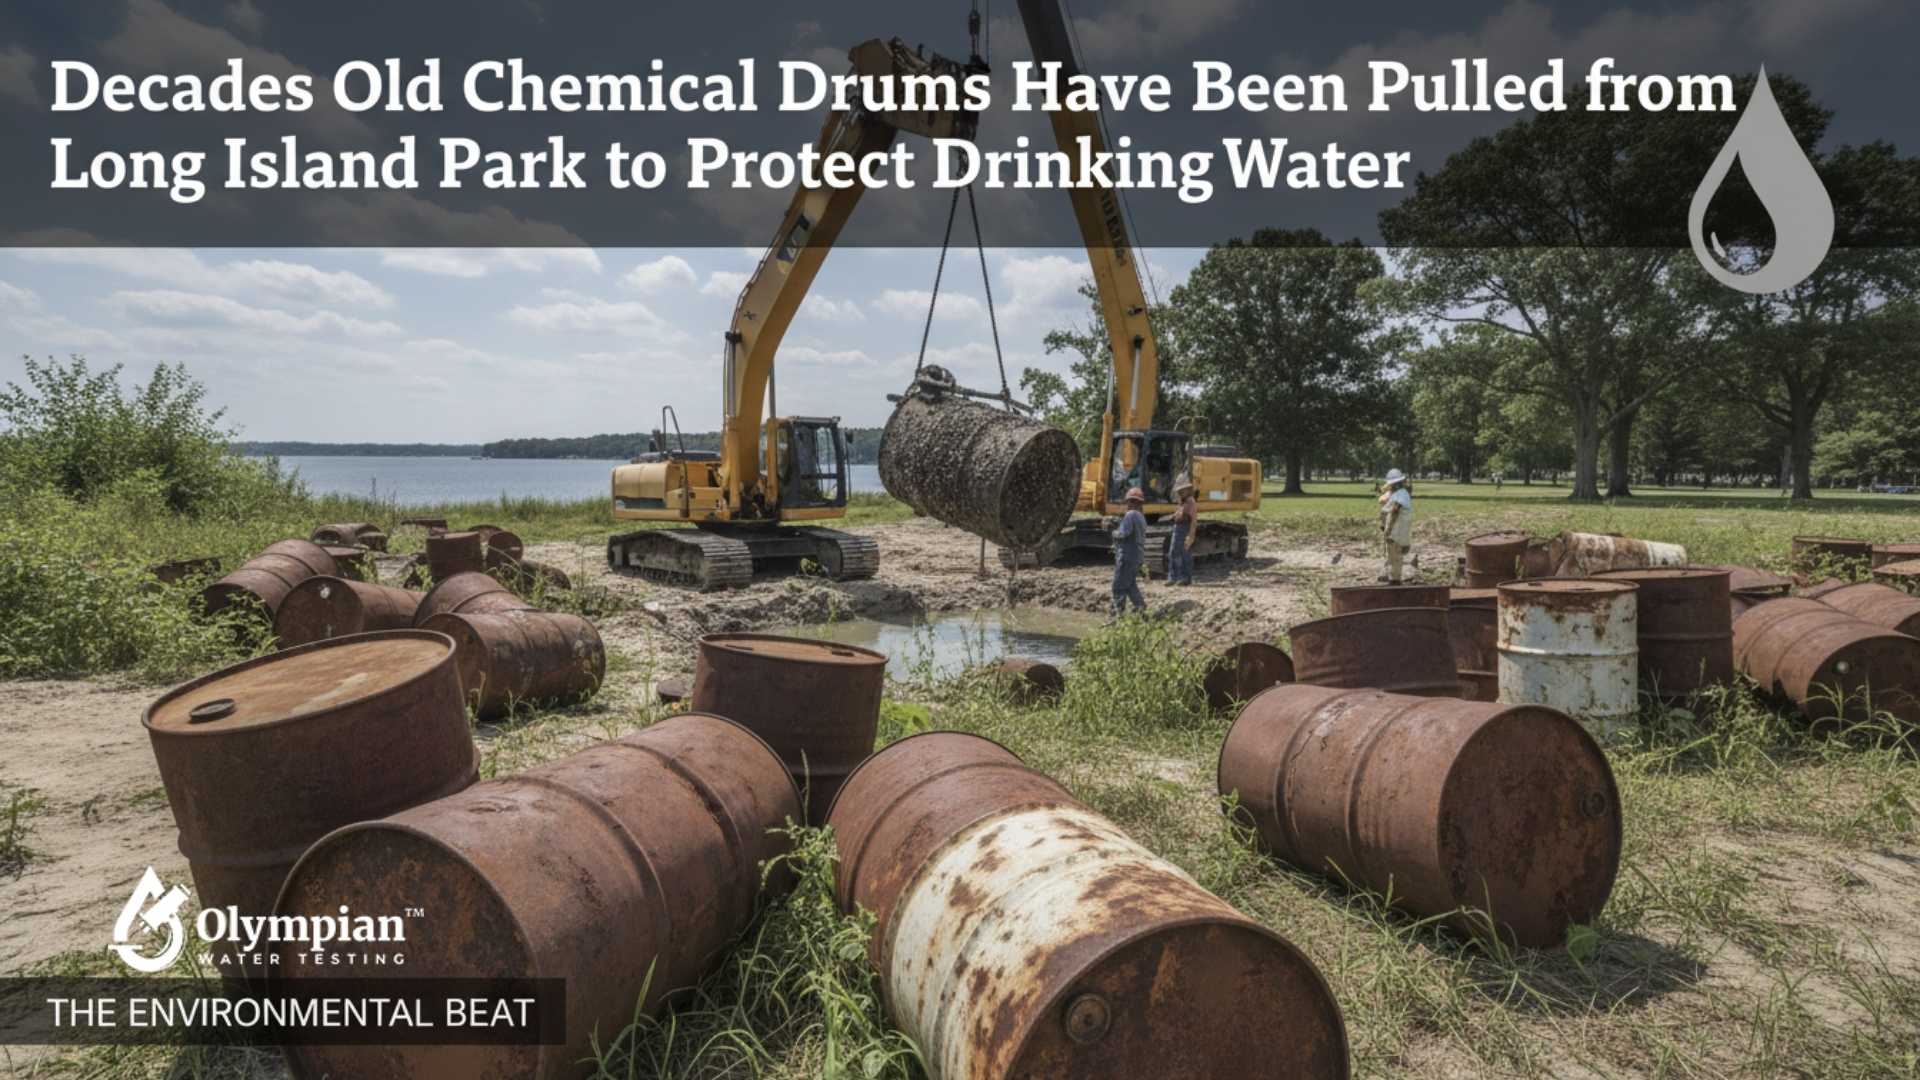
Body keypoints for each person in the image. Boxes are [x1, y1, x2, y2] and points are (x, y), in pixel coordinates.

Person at [1111, 487, 1149, 615]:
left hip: (1127, 556)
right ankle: (1141, 609)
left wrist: (1113, 532)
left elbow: (1123, 533)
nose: (1128, 504)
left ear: (1133, 502)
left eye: (1129, 501)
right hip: (1137, 557)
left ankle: (1117, 616)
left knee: (1118, 586)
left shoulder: (1130, 514)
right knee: (1131, 585)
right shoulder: (1142, 518)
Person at [1377, 468, 1413, 583]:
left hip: (1397, 529)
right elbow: (1383, 502)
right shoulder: (1398, 493)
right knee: (1391, 554)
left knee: (1396, 555)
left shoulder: (1401, 494)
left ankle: (1395, 581)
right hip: (1395, 528)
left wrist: (1388, 529)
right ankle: (1389, 575)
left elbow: (1395, 511)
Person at [1168, 480, 1198, 586]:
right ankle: (1173, 577)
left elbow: (1193, 520)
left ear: (1188, 490)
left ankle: (1185, 578)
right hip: (1178, 528)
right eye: (1180, 491)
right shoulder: (1182, 502)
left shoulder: (1191, 502)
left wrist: (1191, 535)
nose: (1181, 492)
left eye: (1183, 490)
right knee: (1173, 552)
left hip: (1185, 529)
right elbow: (1178, 514)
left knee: (1185, 554)